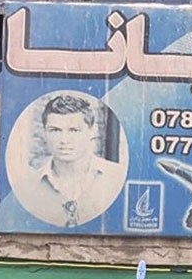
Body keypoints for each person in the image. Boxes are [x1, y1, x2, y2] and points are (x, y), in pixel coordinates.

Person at [17, 94, 125, 228]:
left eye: (74, 130)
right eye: (55, 130)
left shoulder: (118, 177)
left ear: (92, 132)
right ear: (44, 133)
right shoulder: (27, 187)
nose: (64, 140)